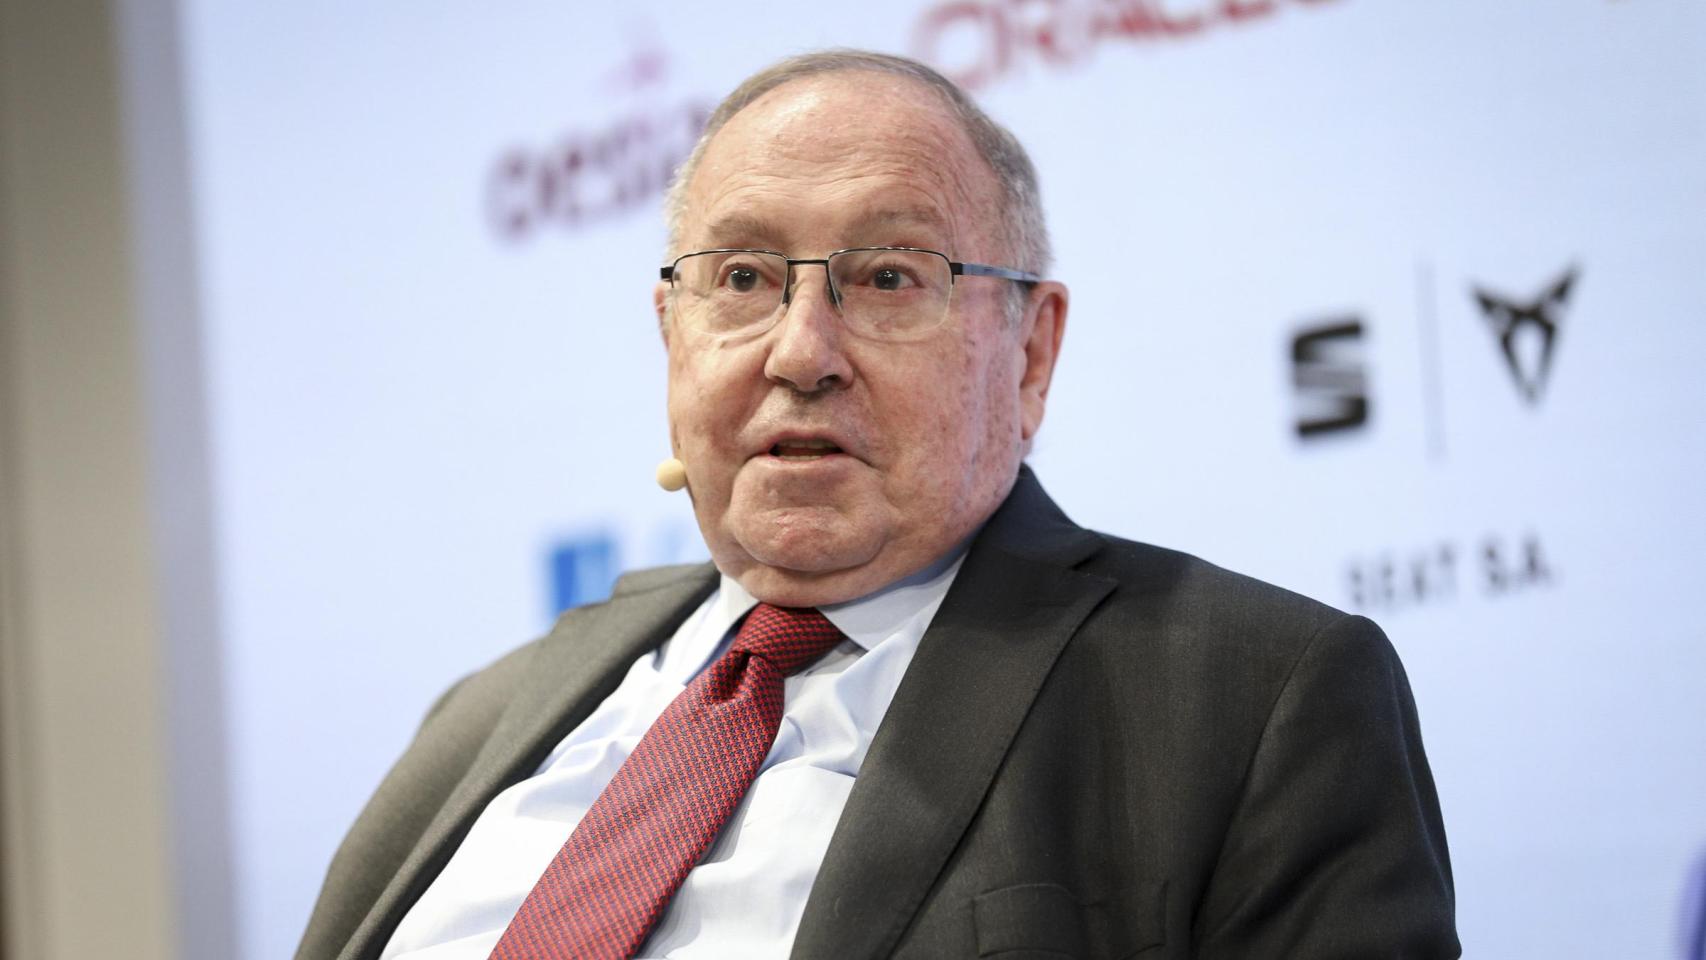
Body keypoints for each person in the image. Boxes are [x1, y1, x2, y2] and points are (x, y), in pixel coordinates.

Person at [297, 50, 1458, 960]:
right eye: (741, 279)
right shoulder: (490, 712)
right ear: (671, 338)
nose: (800, 351)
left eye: (889, 276)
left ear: (1029, 353)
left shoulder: (1251, 698)